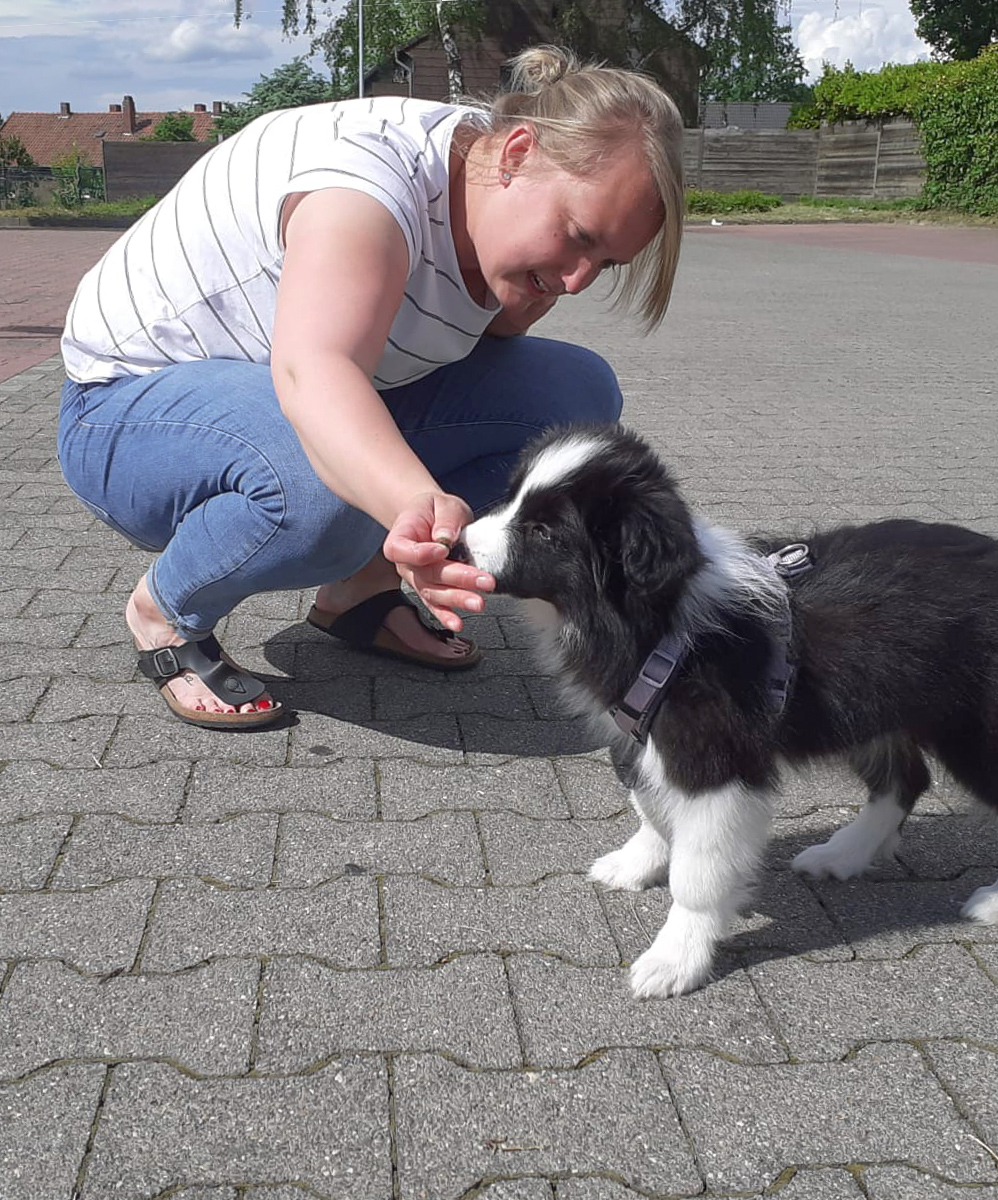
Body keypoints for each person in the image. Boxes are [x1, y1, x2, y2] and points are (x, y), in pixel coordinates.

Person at [56, 45, 684, 730]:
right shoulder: (365, 182)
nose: (577, 282)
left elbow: (454, 340)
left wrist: (516, 294)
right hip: (122, 412)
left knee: (577, 404)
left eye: (606, 263)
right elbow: (314, 370)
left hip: (282, 388)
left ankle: (361, 587)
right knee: (327, 487)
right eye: (576, 237)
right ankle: (165, 612)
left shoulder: (496, 187)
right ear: (516, 155)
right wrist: (410, 502)